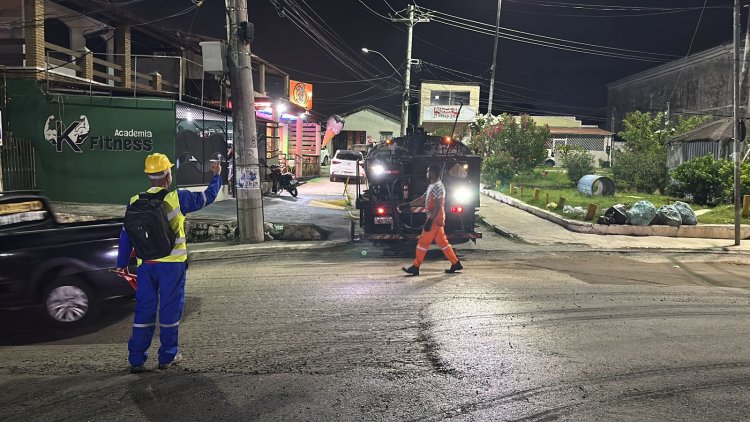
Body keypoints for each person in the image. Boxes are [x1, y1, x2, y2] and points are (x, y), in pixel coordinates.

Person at [117, 153, 221, 373]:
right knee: (169, 310)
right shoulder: (178, 198)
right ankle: (168, 355)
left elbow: (126, 233)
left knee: (144, 309)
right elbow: (208, 197)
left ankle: (136, 359)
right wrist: (217, 176)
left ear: (148, 176)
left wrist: (122, 263)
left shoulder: (135, 200)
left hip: (146, 265)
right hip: (172, 265)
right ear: (168, 175)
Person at [402, 164, 463, 276]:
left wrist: (430, 220)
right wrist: (408, 205)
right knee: (442, 242)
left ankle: (415, 266)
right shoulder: (432, 186)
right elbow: (422, 199)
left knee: (423, 242)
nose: (427, 174)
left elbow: (438, 205)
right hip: (435, 217)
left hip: (435, 217)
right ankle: (455, 263)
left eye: (428, 171)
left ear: (433, 173)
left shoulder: (438, 187)